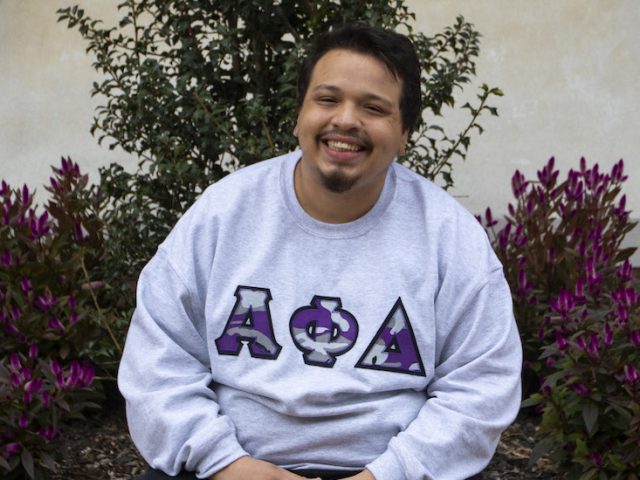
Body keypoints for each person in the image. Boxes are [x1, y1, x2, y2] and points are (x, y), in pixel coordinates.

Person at [118, 22, 522, 480]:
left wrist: (387, 474)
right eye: (327, 99)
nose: (346, 120)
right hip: (232, 468)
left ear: (405, 132)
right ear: (299, 115)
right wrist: (228, 463)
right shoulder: (222, 215)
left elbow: (481, 388)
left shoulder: (449, 237)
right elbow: (157, 365)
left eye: (374, 107)